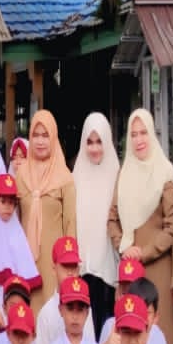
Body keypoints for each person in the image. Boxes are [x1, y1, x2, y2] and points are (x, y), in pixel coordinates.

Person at [108, 109, 173, 344]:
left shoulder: (166, 173)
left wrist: (145, 252)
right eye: (133, 134)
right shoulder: (124, 173)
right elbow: (112, 219)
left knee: (159, 336)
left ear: (152, 134)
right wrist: (123, 246)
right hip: (130, 271)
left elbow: (172, 227)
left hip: (158, 268)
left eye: (143, 133)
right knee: (130, 334)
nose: (139, 139)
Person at [13, 110, 76, 308]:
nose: (40, 142)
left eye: (45, 135)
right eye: (36, 135)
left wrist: (69, 268)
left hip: (54, 264)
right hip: (26, 262)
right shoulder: (21, 175)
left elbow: (70, 224)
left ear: (53, 138)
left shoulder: (64, 177)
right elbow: (14, 220)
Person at [71, 113, 120, 332]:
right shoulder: (76, 176)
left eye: (99, 141)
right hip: (82, 269)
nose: (94, 148)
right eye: (89, 142)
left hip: (109, 270)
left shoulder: (117, 175)